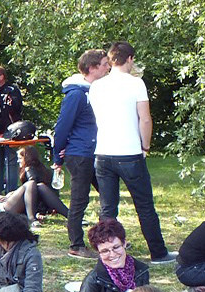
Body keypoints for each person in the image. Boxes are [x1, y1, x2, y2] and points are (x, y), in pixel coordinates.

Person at [86, 41, 176, 264]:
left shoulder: (97, 86)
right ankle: (158, 252)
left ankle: (105, 253)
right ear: (130, 59)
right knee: (144, 205)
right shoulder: (136, 83)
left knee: (108, 208)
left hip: (103, 153)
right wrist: (145, 146)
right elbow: (145, 118)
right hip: (130, 152)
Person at [53, 49, 111, 258]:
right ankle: (76, 245)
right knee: (80, 199)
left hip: (98, 152)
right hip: (80, 154)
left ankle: (109, 239)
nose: (108, 67)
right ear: (92, 68)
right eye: (104, 64)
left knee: (108, 194)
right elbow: (62, 126)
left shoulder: (96, 91)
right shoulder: (77, 94)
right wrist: (57, 157)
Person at [13, 146, 69, 227]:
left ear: (27, 158)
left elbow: (31, 190)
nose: (18, 161)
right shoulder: (43, 168)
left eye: (20, 158)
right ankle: (71, 215)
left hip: (34, 205)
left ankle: (32, 219)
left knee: (36, 186)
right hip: (47, 205)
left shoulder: (29, 170)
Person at [0, 65, 23, 193]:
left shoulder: (12, 90)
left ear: (1, 77)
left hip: (10, 131)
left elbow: (15, 108)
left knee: (11, 162)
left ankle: (11, 190)